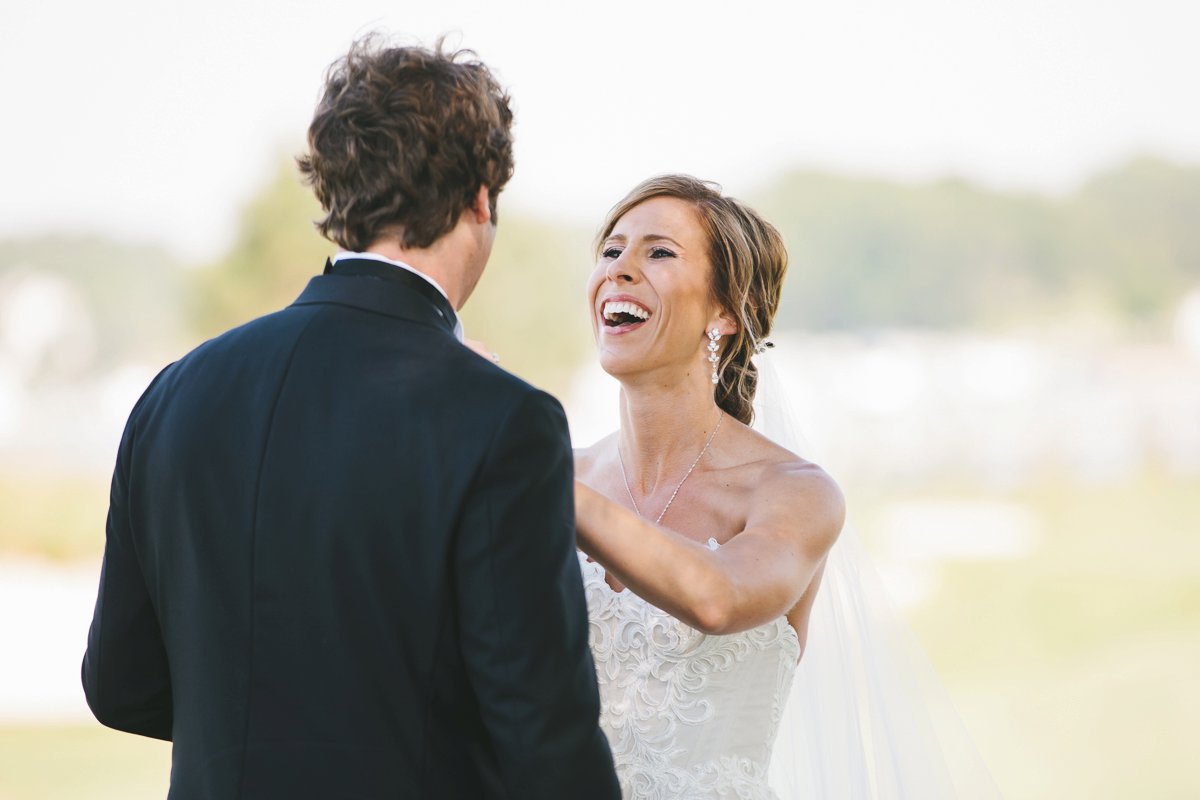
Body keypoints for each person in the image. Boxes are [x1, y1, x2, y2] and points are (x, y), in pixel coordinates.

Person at [81, 35, 619, 800]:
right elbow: (544, 737)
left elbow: (120, 684)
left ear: (339, 193)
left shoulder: (175, 393)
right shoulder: (504, 420)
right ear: (479, 198)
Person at [572, 175, 999, 799]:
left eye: (658, 252)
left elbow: (722, 598)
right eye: (611, 251)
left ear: (726, 310)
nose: (621, 270)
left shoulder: (794, 493)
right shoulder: (566, 473)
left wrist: (534, 474)